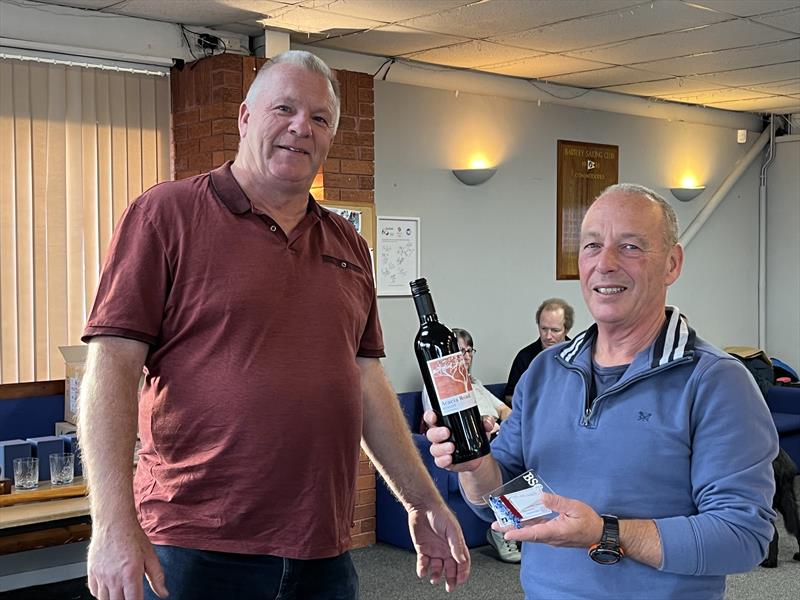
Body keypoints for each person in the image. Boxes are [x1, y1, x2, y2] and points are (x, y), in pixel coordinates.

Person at [78, 50, 469, 600]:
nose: (299, 128)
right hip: (194, 546)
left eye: (319, 118)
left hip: (323, 550)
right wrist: (112, 523)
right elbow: (112, 369)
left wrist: (421, 499)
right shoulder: (165, 216)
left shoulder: (349, 244)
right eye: (283, 108)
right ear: (244, 117)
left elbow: (365, 384)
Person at [426, 183, 778, 599]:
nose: (605, 263)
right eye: (592, 246)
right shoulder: (544, 372)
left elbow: (743, 535)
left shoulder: (716, 380)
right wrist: (474, 464)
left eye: (630, 247)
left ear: (671, 263)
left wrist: (605, 533)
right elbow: (500, 500)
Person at [420, 328, 519, 562]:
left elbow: (505, 410)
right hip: (468, 446)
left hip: (497, 437)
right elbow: (443, 424)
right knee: (504, 465)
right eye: (459, 352)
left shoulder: (476, 384)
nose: (465, 357)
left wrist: (514, 426)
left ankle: (516, 528)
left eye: (468, 351)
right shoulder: (437, 387)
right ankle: (501, 531)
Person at [503, 298, 574, 405]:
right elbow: (509, 397)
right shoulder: (525, 357)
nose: (548, 336)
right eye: (544, 329)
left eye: (555, 330)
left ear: (566, 329)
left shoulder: (580, 355)